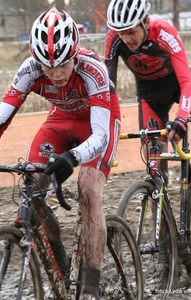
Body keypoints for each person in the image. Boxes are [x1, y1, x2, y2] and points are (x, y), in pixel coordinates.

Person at [0, 7, 121, 299]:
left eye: (63, 65)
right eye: (47, 66)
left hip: (98, 123)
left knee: (88, 190)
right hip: (60, 121)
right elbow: (2, 116)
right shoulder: (30, 69)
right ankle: (62, 265)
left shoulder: (92, 69)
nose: (55, 73)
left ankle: (90, 288)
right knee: (31, 185)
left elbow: (101, 135)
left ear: (74, 54)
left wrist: (74, 158)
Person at [105, 0, 191, 185]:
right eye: (121, 33)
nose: (126, 39)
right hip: (149, 93)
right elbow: (108, 89)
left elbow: (186, 82)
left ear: (146, 22)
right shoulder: (113, 39)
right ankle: (159, 204)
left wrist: (181, 118)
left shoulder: (165, 33)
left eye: (132, 32)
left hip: (178, 82)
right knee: (153, 152)